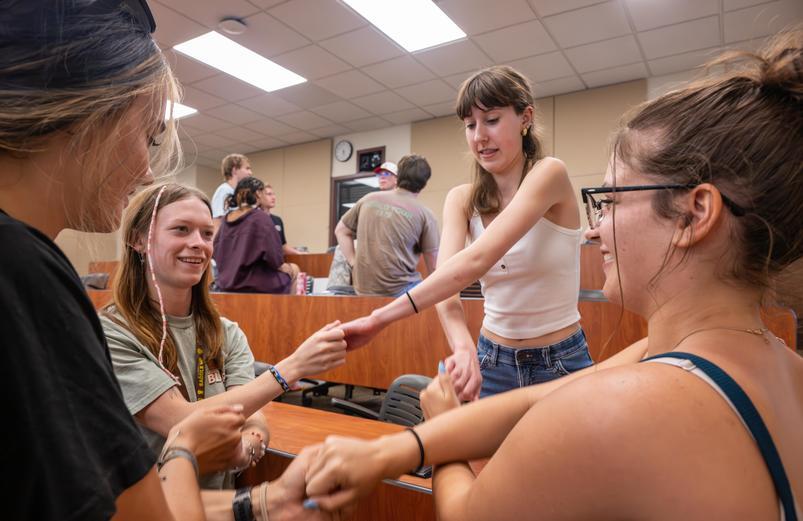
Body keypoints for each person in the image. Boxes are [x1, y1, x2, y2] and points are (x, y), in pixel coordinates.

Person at [303, 32, 803, 520]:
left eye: (608, 201)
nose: (596, 227)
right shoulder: (744, 362)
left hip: (556, 353)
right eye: (469, 123)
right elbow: (537, 400)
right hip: (496, 354)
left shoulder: (612, 405)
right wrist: (401, 446)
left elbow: (478, 502)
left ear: (695, 213)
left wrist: (442, 424)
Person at [0, 1, 243, 518]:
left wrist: (259, 499)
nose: (144, 167)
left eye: (206, 233)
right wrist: (184, 447)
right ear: (86, 112)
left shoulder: (225, 331)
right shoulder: (26, 270)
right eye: (148, 135)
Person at [337, 67, 592, 400]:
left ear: (525, 117)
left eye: (492, 120)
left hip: (560, 360)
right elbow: (447, 284)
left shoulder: (549, 173)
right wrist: (462, 346)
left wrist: (378, 319)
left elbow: (476, 259)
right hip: (493, 358)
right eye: (470, 125)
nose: (479, 137)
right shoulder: (460, 198)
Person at [101, 183, 347, 489]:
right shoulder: (112, 333)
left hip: (220, 505)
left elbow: (253, 413)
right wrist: (291, 368)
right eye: (181, 229)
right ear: (139, 240)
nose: (198, 244)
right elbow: (183, 422)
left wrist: (246, 448)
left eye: (206, 234)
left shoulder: (225, 332)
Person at [335, 154, 439, 297]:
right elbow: (434, 267)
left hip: (363, 291)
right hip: (400, 293)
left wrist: (354, 263)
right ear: (424, 183)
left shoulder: (368, 199)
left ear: (398, 176)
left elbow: (340, 230)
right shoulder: (426, 215)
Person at [214, 177, 299, 294]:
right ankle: (287, 312)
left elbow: (216, 250)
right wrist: (283, 266)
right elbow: (274, 257)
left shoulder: (226, 220)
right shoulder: (260, 218)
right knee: (294, 269)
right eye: (266, 193)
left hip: (225, 283)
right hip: (253, 284)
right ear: (258, 194)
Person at [211, 153, 252, 234]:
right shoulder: (224, 191)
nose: (250, 172)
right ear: (235, 170)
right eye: (247, 168)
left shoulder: (239, 194)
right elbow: (217, 224)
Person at [261, 183, 306, 256]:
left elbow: (283, 247)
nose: (273, 197)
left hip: (277, 261)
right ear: (259, 197)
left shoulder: (277, 220)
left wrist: (299, 253)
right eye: (269, 194)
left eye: (273, 194)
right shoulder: (255, 219)